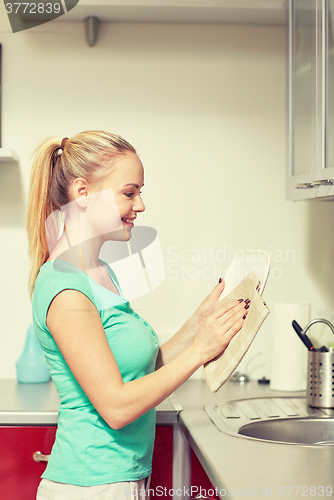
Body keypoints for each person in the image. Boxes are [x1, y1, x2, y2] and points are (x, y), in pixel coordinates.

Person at [26, 131, 249, 500]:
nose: (141, 205)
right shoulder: (65, 287)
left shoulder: (98, 272)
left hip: (119, 480)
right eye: (129, 193)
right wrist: (199, 351)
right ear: (82, 193)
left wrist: (198, 323)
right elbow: (116, 406)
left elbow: (143, 369)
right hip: (90, 484)